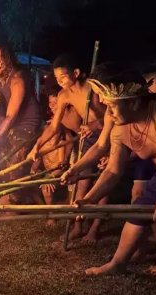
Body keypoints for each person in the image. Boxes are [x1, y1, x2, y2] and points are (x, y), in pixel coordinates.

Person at [73, 67, 156, 277]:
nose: (108, 114)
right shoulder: (120, 127)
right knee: (138, 211)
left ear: (132, 102)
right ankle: (117, 263)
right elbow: (113, 170)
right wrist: (89, 199)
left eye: (112, 107)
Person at [29, 54, 106, 239]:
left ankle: (94, 228)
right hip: (87, 138)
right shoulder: (64, 95)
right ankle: (78, 225)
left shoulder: (93, 88)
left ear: (76, 73)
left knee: (103, 181)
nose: (60, 81)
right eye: (57, 78)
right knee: (82, 180)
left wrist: (94, 125)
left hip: (106, 134)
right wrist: (37, 146)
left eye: (63, 77)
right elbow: (54, 127)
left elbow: (112, 117)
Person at [0, 44, 42, 204]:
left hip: (27, 123)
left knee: (16, 158)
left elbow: (10, 116)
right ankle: (13, 195)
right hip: (12, 123)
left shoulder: (17, 79)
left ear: (7, 58)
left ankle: (13, 200)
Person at [31, 87, 73, 226]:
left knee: (46, 187)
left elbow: (62, 163)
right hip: (48, 171)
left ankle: (53, 214)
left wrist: (50, 177)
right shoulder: (46, 133)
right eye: (50, 103)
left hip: (58, 170)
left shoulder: (63, 134)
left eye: (56, 102)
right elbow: (37, 160)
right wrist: (34, 170)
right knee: (31, 185)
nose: (53, 106)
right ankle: (48, 209)